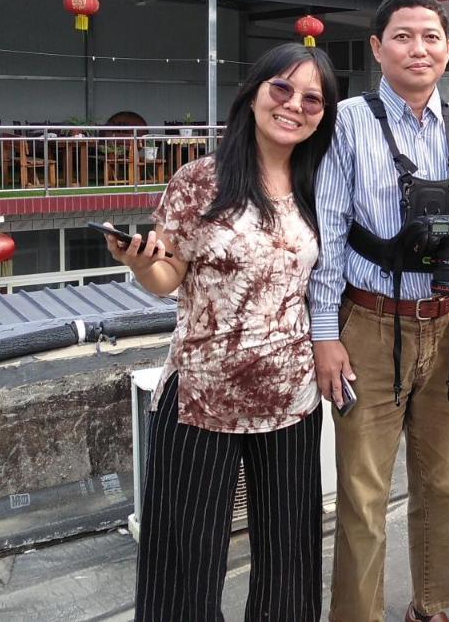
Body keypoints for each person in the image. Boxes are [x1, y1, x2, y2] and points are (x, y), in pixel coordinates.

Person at [105, 42, 339, 622]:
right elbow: (167, 275)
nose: (294, 106)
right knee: (183, 563)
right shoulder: (199, 180)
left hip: (291, 399)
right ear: (254, 94)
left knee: (290, 561)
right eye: (281, 89)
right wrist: (139, 261)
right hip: (200, 397)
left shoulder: (320, 183)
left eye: (312, 98)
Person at [310, 0, 449, 622]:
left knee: (447, 488)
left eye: (430, 36)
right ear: (376, 48)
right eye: (402, 36)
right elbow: (330, 232)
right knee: (363, 495)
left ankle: (432, 606)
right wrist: (324, 333)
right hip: (367, 325)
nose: (418, 48)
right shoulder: (345, 121)